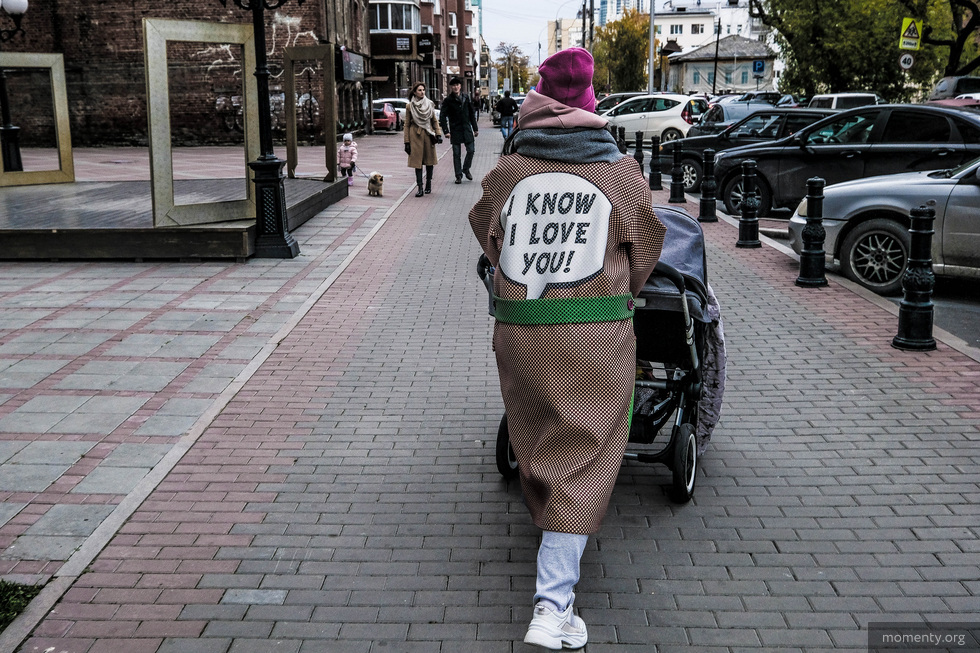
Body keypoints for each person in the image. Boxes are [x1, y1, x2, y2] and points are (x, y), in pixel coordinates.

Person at [468, 47, 666, 650]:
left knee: (536, 441)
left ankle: (552, 542)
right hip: (595, 334)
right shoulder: (618, 173)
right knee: (584, 456)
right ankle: (553, 609)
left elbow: (484, 225)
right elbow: (648, 242)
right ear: (589, 103)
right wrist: (617, 288)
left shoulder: (509, 171)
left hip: (521, 331)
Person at [403, 82, 443, 197]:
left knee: (429, 161)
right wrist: (406, 142)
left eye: (423, 90)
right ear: (415, 92)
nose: (422, 92)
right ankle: (420, 187)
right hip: (415, 136)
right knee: (417, 163)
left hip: (428, 134)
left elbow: (434, 120)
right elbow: (406, 124)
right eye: (419, 90)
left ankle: (428, 184)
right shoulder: (410, 106)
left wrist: (438, 134)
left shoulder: (430, 104)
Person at [439, 77, 479, 184]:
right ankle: (458, 175)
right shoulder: (448, 101)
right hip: (455, 130)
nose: (455, 87)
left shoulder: (466, 98)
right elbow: (442, 116)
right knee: (456, 154)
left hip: (466, 129)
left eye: (457, 85)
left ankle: (466, 168)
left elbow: (471, 114)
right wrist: (446, 131)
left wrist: (475, 129)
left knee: (471, 150)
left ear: (460, 86)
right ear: (451, 87)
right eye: (453, 85)